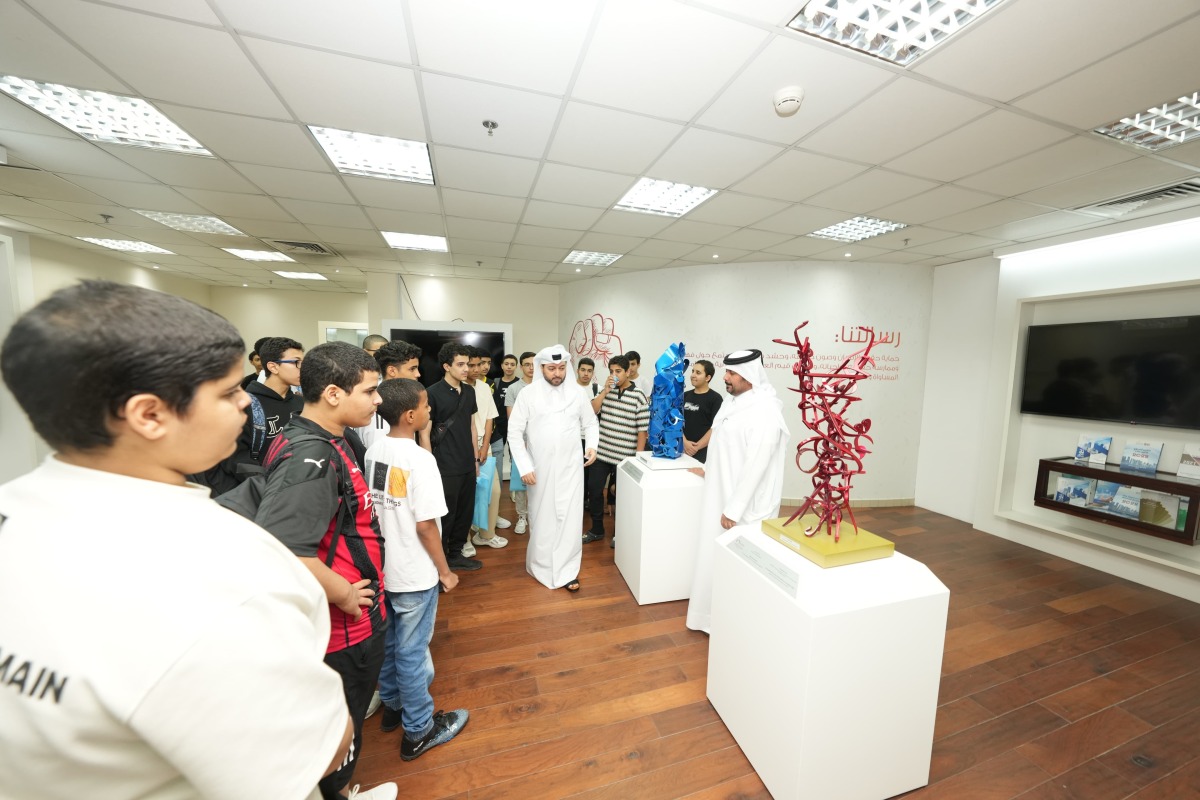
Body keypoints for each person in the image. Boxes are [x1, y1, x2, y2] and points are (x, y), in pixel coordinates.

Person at [0, 281, 353, 800]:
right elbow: (321, 751)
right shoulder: (227, 571)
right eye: (229, 392)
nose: (243, 407)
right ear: (149, 414)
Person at [248, 341, 397, 800]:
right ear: (333, 393)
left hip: (355, 617)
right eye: (370, 391)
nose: (378, 401)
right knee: (342, 723)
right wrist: (346, 595)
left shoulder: (329, 438)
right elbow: (287, 549)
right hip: (343, 629)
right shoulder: (309, 456)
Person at [364, 378, 469, 761]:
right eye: (425, 407)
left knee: (391, 644)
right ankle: (419, 729)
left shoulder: (375, 449)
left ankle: (392, 705)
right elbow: (426, 525)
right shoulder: (421, 461)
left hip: (384, 567)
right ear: (410, 416)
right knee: (412, 652)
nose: (430, 411)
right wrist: (445, 572)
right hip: (413, 571)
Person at [685, 349, 789, 635]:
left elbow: (757, 464)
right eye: (726, 372)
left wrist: (734, 508)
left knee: (739, 569)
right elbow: (722, 442)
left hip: (741, 508)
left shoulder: (765, 411)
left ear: (750, 375)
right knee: (714, 560)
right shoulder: (733, 402)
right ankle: (710, 619)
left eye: (732, 373)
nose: (726, 378)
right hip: (719, 494)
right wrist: (708, 470)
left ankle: (736, 629)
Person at [508, 345, 599, 591]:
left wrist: (591, 446)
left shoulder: (578, 393)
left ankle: (568, 570)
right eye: (551, 369)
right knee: (542, 517)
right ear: (541, 368)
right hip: (539, 468)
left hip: (571, 468)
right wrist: (524, 466)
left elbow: (590, 423)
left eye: (561, 368)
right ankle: (540, 566)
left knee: (570, 518)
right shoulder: (528, 394)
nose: (557, 374)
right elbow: (514, 433)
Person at [420, 342, 482, 571]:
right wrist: (428, 466)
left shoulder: (470, 391)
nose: (467, 369)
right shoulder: (432, 393)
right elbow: (424, 432)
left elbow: (472, 427)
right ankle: (440, 561)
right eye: (461, 364)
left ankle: (456, 554)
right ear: (447, 366)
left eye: (468, 364)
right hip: (444, 465)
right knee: (446, 515)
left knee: (465, 513)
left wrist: (475, 460)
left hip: (467, 463)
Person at [584, 355, 649, 547]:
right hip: (602, 453)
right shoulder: (607, 392)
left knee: (622, 496)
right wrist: (605, 391)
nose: (614, 375)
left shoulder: (639, 396)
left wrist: (637, 458)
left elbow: (642, 431)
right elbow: (592, 411)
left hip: (626, 457)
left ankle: (619, 533)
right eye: (611, 371)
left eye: (618, 371)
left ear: (628, 372)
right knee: (595, 490)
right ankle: (596, 530)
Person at [463, 346, 507, 555]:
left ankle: (486, 535)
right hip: (462, 451)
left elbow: (490, 418)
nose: (477, 369)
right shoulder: (458, 388)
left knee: (494, 492)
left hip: (484, 450)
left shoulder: (484, 387)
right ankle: (464, 540)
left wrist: (484, 445)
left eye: (479, 364)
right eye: (471, 365)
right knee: (466, 496)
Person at [354, 339, 422, 450]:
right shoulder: (376, 403)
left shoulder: (403, 399)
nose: (418, 374)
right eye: (412, 369)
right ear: (392, 371)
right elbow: (379, 456)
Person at [504, 351, 536, 534]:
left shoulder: (545, 387)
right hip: (522, 444)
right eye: (527, 364)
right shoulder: (514, 389)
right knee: (522, 483)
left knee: (540, 482)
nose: (531, 368)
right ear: (521, 366)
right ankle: (522, 516)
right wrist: (520, 443)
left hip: (541, 445)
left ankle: (537, 516)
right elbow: (512, 418)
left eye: (533, 364)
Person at [489, 354, 521, 530]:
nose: (509, 367)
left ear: (516, 367)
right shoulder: (496, 382)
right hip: (498, 426)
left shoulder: (518, 384)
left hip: (514, 426)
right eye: (506, 364)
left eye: (512, 364)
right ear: (501, 365)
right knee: (499, 460)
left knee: (515, 456)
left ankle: (516, 489)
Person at [682, 359, 723, 464]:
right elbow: (676, 422)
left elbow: (716, 427)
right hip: (682, 449)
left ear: (708, 378)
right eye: (692, 371)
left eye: (698, 372)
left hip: (703, 453)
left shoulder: (715, 399)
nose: (693, 375)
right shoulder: (684, 396)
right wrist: (685, 442)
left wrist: (696, 447)